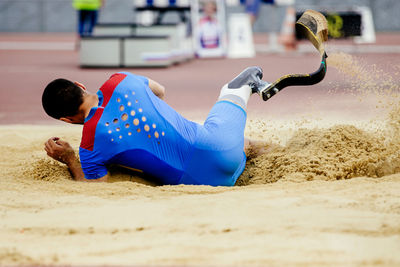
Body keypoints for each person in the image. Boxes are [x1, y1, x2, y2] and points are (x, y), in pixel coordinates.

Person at [42, 67, 268, 186]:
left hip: (202, 182)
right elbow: (160, 91)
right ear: (80, 86)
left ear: (66, 120)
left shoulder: (89, 146)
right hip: (221, 146)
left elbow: (95, 187)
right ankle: (245, 86)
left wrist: (70, 158)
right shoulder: (119, 80)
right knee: (238, 134)